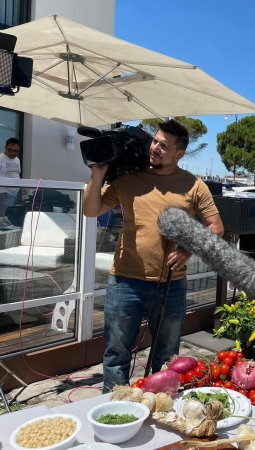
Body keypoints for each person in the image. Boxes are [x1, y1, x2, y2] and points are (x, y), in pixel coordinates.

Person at [83, 119, 224, 393]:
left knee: (167, 354)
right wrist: (97, 174)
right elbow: (92, 210)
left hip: (171, 285)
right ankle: (115, 413)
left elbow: (216, 227)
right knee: (116, 353)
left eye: (164, 145)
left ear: (179, 154)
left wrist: (188, 249)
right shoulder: (127, 179)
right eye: (155, 141)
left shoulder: (194, 186)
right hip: (125, 281)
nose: (156, 148)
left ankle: (159, 410)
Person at [0, 138, 21, 216]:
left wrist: (23, 187)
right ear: (5, 148)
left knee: (10, 218)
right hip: (3, 193)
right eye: (10, 150)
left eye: (15, 151)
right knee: (4, 218)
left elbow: (16, 174)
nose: (12, 153)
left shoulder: (17, 160)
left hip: (14, 194)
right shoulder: (1, 159)